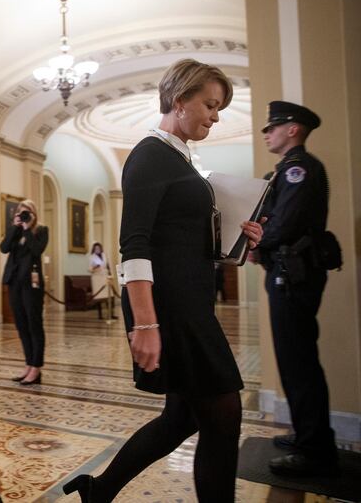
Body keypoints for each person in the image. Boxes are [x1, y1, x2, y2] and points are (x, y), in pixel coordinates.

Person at [63, 59, 263, 502]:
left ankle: (98, 490)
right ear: (179, 100)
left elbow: (184, 242)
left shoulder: (180, 158)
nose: (216, 115)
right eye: (210, 105)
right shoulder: (150, 155)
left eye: (219, 107)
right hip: (171, 307)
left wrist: (239, 241)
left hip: (188, 300)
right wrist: (146, 324)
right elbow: (134, 245)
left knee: (183, 418)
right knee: (224, 411)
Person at [254, 101, 338, 476]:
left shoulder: (299, 168)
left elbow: (284, 224)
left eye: (273, 127)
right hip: (288, 272)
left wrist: (256, 244)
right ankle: (308, 435)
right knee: (294, 360)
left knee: (299, 362)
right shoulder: (288, 170)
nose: (267, 133)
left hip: (294, 275)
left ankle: (315, 449)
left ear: (293, 129)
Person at [0, 199, 48, 385]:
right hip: (14, 284)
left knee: (34, 325)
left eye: (27, 211)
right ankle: (28, 364)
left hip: (32, 285)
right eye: (21, 211)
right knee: (21, 325)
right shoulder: (16, 231)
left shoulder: (41, 230)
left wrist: (28, 228)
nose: (24, 214)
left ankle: (36, 368)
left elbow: (37, 250)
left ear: (34, 213)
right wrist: (15, 227)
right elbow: (3, 248)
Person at [88, 242, 116, 319]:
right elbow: (89, 269)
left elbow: (108, 266)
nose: (97, 249)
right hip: (97, 279)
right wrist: (94, 267)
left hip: (105, 278)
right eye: (96, 248)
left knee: (109, 296)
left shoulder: (104, 255)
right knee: (99, 298)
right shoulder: (92, 257)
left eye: (99, 248)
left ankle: (111, 314)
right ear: (94, 249)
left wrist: (110, 274)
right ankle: (100, 315)